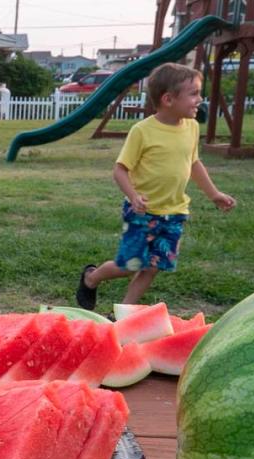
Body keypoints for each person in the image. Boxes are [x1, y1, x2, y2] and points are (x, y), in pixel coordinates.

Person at [75, 63, 236, 310]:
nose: (199, 99)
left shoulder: (191, 127)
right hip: (142, 211)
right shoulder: (142, 131)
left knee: (152, 266)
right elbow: (120, 170)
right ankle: (92, 277)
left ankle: (123, 313)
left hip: (174, 212)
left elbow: (193, 163)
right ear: (168, 99)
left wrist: (214, 194)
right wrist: (134, 197)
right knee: (130, 265)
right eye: (193, 93)